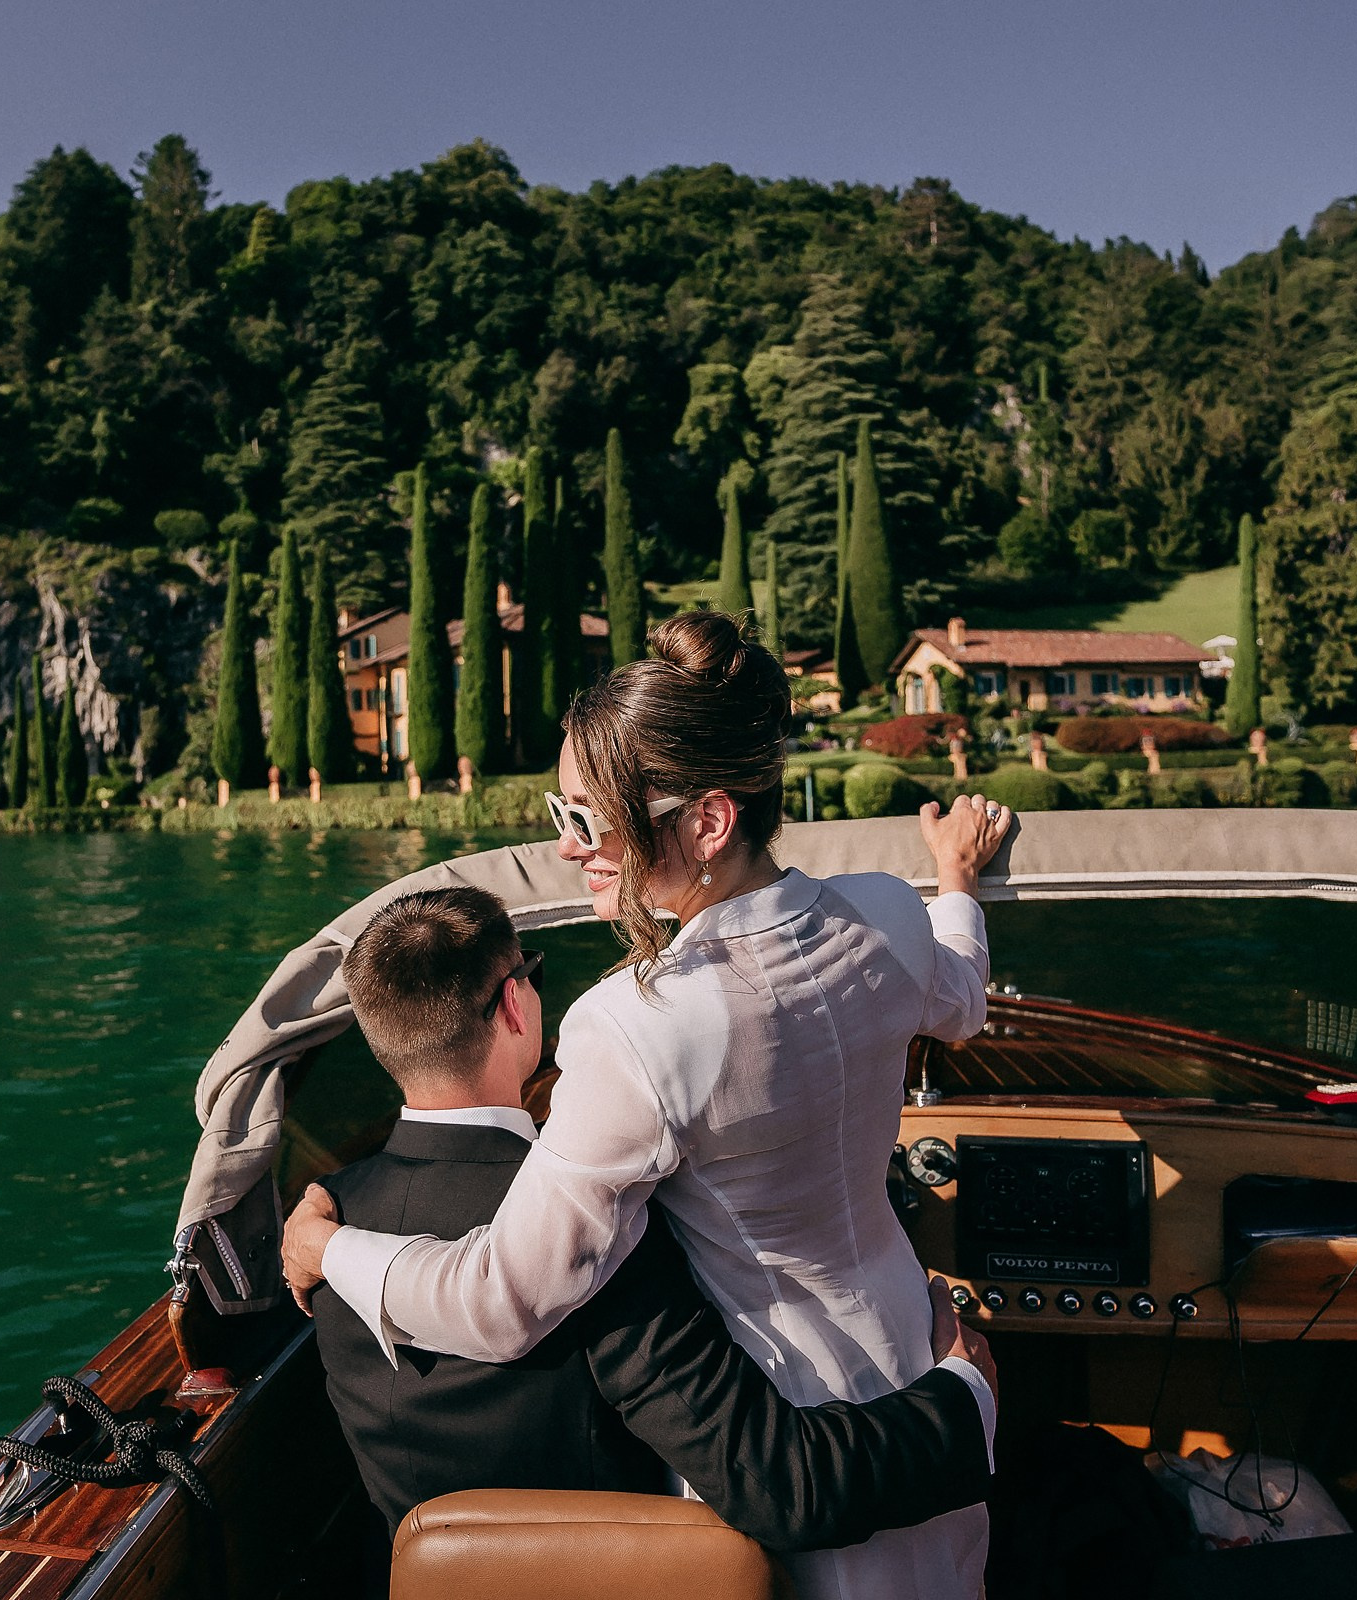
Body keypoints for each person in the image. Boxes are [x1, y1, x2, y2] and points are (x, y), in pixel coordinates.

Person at [285, 609, 1014, 1599]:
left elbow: (504, 1301)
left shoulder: (628, 1026)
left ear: (708, 819)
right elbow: (962, 992)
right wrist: (957, 878)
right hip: (917, 1350)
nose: (567, 846)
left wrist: (336, 1250)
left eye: (589, 819)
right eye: (559, 811)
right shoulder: (890, 911)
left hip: (785, 1422)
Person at [314, 884, 997, 1548]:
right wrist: (964, 1396)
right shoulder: (602, 1229)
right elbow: (779, 1484)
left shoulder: (325, 1220)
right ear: (515, 1005)